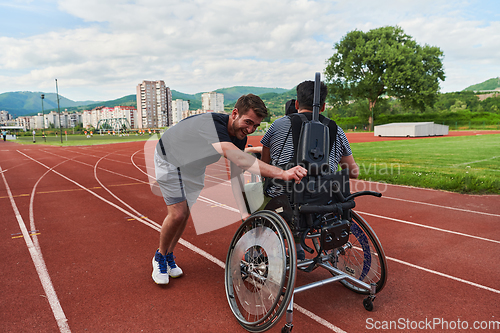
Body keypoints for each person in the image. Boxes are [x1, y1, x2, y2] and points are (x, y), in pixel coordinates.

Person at [152, 94, 307, 285]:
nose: (250, 129)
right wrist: (283, 173)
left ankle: (168, 255)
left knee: (184, 215)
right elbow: (242, 160)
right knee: (177, 214)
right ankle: (160, 256)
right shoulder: (211, 126)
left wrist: (242, 210)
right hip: (169, 160)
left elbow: (236, 175)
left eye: (255, 126)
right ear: (235, 113)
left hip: (193, 167)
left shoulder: (240, 138)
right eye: (248, 122)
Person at [260, 80, 359, 259]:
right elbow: (353, 172)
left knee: (256, 194)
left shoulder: (277, 126)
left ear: (296, 104)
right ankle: (298, 243)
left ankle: (263, 246)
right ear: (322, 106)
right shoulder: (337, 130)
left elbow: (264, 166)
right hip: (325, 201)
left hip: (283, 199)